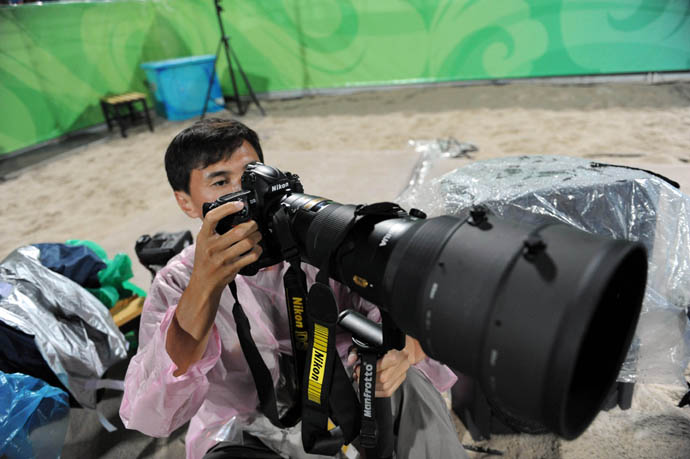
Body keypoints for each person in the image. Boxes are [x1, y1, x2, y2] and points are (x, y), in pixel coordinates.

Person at [120, 118, 468, 459]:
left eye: (251, 176)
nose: (245, 196)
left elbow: (408, 318)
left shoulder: (316, 242)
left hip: (343, 401)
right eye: (221, 182)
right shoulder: (177, 281)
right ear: (185, 202)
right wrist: (204, 284)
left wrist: (400, 355)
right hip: (244, 430)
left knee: (409, 384)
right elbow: (153, 413)